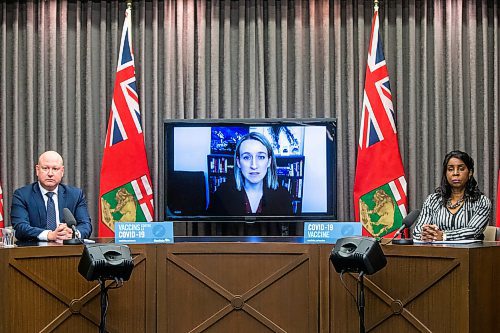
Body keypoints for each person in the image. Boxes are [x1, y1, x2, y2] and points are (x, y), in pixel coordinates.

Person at [11, 151, 92, 242]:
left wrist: (73, 233)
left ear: (62, 171)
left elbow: (85, 225)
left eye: (55, 169)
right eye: (45, 168)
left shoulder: (75, 195)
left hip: (68, 251)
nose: (50, 173)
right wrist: (50, 235)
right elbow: (20, 227)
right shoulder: (22, 195)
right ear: (37, 170)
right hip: (35, 251)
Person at [207, 132, 293, 216]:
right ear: (238, 162)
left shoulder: (283, 196)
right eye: (247, 157)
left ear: (269, 161)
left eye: (261, 157)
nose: (254, 165)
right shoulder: (221, 195)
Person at [413, 150, 491, 241]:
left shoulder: (481, 201)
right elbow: (418, 230)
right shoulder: (432, 200)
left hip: (469, 253)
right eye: (450, 169)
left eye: (461, 169)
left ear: (470, 173)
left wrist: (444, 236)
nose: (455, 173)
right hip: (437, 253)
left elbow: (473, 231)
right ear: (445, 173)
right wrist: (425, 234)